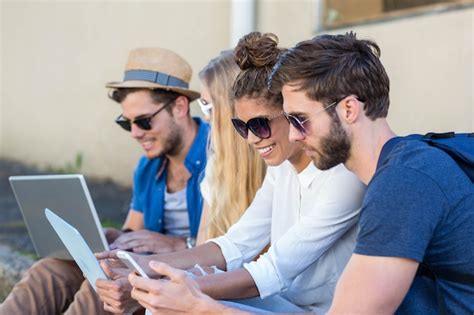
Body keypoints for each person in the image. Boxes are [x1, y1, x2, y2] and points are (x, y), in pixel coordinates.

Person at [96, 32, 366, 314]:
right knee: (164, 304)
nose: (251, 139)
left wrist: (163, 283)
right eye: (241, 126)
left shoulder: (343, 177)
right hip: (285, 301)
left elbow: (272, 270)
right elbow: (234, 245)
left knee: (173, 302)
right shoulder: (283, 168)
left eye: (260, 125)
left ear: (289, 112)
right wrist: (140, 266)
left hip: (322, 310)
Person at [269, 32, 474, 314]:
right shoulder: (411, 159)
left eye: (299, 120)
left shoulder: (404, 181)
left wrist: (204, 308)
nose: (293, 135)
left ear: (349, 109)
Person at [0, 47, 209, 315]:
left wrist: (180, 244)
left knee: (105, 283)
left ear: (180, 106)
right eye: (127, 123)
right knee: (51, 268)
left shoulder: (220, 155)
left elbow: (238, 243)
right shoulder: (148, 166)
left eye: (144, 121)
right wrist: (111, 239)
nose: (134, 133)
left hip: (190, 273)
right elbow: (133, 230)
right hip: (146, 265)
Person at [196, 50, 266, 244]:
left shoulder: (280, 165)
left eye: (207, 105)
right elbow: (203, 244)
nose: (205, 117)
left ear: (231, 108)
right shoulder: (218, 164)